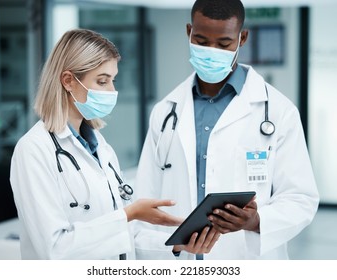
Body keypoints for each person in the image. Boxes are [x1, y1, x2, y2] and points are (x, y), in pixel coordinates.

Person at [133, 0, 319, 260]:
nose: (211, 51)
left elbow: (301, 198)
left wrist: (254, 221)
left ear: (242, 38)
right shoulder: (165, 112)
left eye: (223, 44)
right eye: (201, 41)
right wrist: (171, 244)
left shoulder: (278, 111)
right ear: (188, 31)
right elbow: (145, 203)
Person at [9, 29, 183, 260]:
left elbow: (123, 237)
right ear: (68, 81)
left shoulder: (101, 148)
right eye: (102, 81)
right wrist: (128, 214)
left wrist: (177, 243)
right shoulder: (34, 150)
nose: (112, 91)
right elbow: (55, 249)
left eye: (113, 80)